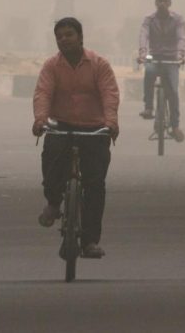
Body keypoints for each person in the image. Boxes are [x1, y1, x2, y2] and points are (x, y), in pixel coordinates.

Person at [33, 17, 119, 259]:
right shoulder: (51, 66)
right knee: (51, 160)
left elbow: (109, 94)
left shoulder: (99, 64)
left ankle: (90, 241)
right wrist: (40, 119)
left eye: (69, 35)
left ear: (80, 37)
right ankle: (53, 202)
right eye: (59, 36)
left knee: (95, 185)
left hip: (94, 128)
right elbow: (43, 93)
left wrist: (110, 122)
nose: (64, 40)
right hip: (61, 126)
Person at [138, 0, 185, 142]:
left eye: (165, 1)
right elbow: (143, 35)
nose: (162, 3)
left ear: (170, 3)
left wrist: (180, 54)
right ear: (155, 2)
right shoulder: (149, 19)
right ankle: (148, 107)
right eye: (159, 0)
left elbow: (182, 38)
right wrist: (142, 52)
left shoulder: (178, 20)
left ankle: (175, 126)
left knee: (172, 90)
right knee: (149, 72)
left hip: (172, 59)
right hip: (154, 57)